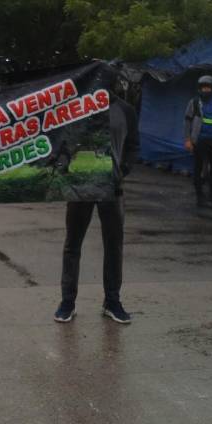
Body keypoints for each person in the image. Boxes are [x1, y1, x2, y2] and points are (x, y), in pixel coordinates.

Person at [55, 77, 139, 325]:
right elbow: (61, 140)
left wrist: (122, 171)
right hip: (80, 187)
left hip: (112, 189)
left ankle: (112, 301)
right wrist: (65, 168)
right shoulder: (76, 106)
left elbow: (134, 144)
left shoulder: (125, 110)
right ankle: (67, 302)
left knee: (113, 246)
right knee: (72, 245)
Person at [183, 74, 212, 208]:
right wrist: (187, 140)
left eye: (208, 88)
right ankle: (200, 198)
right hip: (198, 141)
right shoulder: (194, 102)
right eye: (203, 88)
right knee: (198, 169)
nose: (205, 90)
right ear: (199, 89)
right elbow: (187, 121)